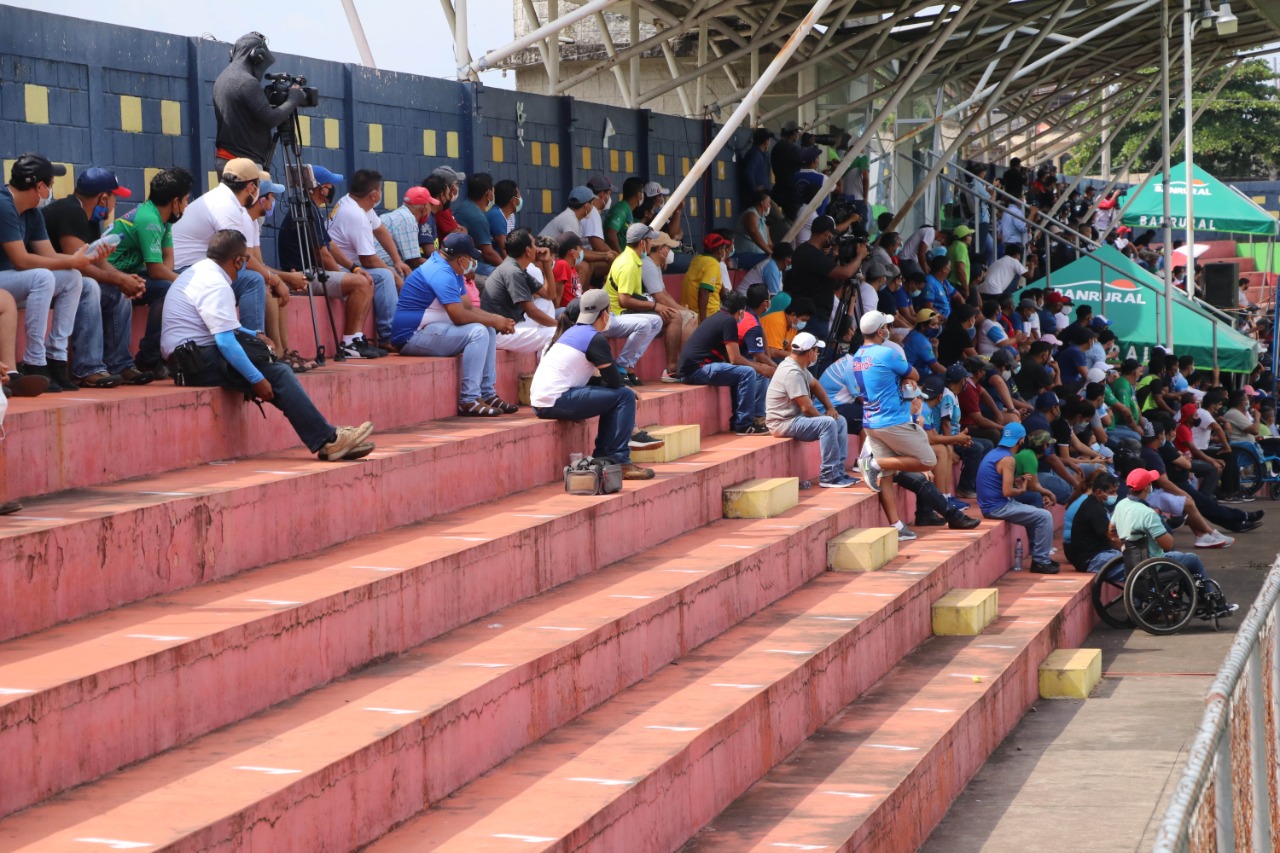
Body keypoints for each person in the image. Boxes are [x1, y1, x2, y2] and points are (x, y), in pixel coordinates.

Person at [161, 229, 374, 461]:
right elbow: (225, 342)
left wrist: (255, 333)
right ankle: (329, 440)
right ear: (238, 260)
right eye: (245, 260)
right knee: (278, 374)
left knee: (258, 350)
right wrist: (256, 379)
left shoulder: (201, 270)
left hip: (191, 357)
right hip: (194, 363)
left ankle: (328, 438)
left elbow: (224, 326)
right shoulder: (215, 284)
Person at [41, 167, 152, 387]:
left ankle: (120, 364)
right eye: (115, 197)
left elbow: (96, 260)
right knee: (90, 285)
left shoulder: (89, 216)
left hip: (64, 282)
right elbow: (79, 266)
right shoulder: (71, 211)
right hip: (45, 284)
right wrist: (120, 280)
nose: (115, 204)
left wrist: (125, 280)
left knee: (116, 291)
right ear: (103, 197)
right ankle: (88, 368)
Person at [530, 290, 654, 480]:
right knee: (624, 396)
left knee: (616, 395)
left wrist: (618, 386)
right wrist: (626, 388)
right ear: (605, 314)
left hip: (543, 401)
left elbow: (600, 381)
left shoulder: (572, 331)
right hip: (555, 400)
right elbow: (613, 381)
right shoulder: (594, 338)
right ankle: (620, 461)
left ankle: (604, 456)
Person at [392, 233, 519, 416]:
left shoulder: (452, 268)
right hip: (412, 336)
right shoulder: (440, 272)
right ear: (461, 259)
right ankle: (468, 400)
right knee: (478, 332)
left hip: (432, 329)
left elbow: (467, 307)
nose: (472, 262)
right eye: (471, 258)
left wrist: (496, 320)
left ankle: (487, 394)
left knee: (488, 328)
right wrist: (495, 320)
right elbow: (459, 316)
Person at [0, 154, 95, 391]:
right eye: (51, 184)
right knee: (42, 276)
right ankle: (34, 363)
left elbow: (49, 256)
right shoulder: (3, 204)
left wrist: (83, 260)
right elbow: (21, 260)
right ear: (40, 186)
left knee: (73, 278)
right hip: (6, 277)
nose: (52, 190)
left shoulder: (32, 212)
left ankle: (56, 360)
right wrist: (72, 260)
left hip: (10, 281)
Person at [276, 166, 384, 360]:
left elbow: (331, 245)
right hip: (303, 274)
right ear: (321, 188)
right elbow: (322, 254)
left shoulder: (311, 208)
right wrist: (347, 276)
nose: (332, 189)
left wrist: (354, 268)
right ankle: (350, 344)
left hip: (312, 270)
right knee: (360, 283)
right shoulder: (306, 210)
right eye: (329, 185)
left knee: (363, 278)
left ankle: (357, 338)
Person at [104, 166, 193, 380]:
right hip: (108, 277)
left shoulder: (164, 219)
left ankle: (152, 357)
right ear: (174, 202)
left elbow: (167, 260)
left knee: (177, 279)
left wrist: (178, 278)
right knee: (168, 288)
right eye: (185, 200)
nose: (187, 205)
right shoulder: (149, 220)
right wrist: (185, 283)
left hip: (131, 274)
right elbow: (156, 269)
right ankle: (149, 358)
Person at [1112, 468, 1237, 617]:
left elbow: (1111, 531)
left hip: (1133, 562)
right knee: (1192, 560)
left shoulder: (1120, 506)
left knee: (1181, 559)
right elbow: (1167, 544)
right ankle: (1208, 602)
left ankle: (1199, 599)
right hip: (1154, 564)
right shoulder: (1147, 513)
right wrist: (1164, 523)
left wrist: (1125, 546)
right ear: (1147, 487)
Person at [849, 310, 937, 491]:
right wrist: (906, 377)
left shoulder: (858, 355)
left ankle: (894, 521)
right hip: (892, 420)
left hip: (871, 421)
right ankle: (872, 463)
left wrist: (902, 378)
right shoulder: (887, 353)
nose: (889, 329)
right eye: (886, 327)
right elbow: (915, 374)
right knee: (928, 460)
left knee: (887, 475)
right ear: (880, 331)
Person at [326, 169, 402, 348]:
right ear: (374, 195)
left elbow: (380, 229)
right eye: (380, 190)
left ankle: (402, 329)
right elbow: (369, 261)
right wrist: (394, 275)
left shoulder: (354, 202)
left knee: (396, 271)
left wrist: (397, 261)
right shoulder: (356, 215)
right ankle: (388, 336)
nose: (381, 194)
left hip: (352, 265)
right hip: (339, 269)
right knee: (385, 277)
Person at [766, 332, 853, 488]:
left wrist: (830, 408)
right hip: (783, 423)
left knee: (839, 420)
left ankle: (838, 472)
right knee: (828, 423)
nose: (817, 354)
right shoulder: (792, 372)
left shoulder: (798, 366)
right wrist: (825, 419)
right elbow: (806, 408)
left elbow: (815, 385)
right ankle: (829, 475)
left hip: (794, 419)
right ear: (809, 352)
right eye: (816, 350)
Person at [212, 32, 308, 167]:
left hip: (226, 159)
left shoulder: (222, 79)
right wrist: (293, 98)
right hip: (244, 163)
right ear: (257, 56)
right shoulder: (247, 82)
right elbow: (271, 119)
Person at [678, 291, 769, 435]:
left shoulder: (718, 317)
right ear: (740, 311)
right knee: (748, 372)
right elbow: (735, 359)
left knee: (741, 371)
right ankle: (744, 424)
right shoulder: (729, 321)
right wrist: (760, 368)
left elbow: (731, 358)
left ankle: (740, 421)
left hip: (694, 369)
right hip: (697, 370)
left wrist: (757, 367)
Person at [976, 422, 1060, 573]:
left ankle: (1040, 557)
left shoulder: (995, 453)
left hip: (992, 504)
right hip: (997, 507)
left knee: (1035, 513)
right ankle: (1041, 561)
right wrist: (1021, 489)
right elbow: (1007, 491)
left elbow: (1000, 481)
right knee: (1045, 516)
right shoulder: (1009, 459)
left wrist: (1017, 480)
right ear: (1021, 440)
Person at [599, 223, 666, 385]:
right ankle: (622, 365)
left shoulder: (632, 258)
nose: (652, 244)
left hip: (620, 314)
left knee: (656, 321)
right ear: (643, 243)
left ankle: (628, 364)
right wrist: (654, 306)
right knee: (644, 324)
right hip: (611, 316)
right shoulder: (628, 263)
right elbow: (624, 300)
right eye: (650, 240)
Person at [783, 215, 867, 341]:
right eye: (832, 234)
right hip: (814, 317)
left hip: (810, 314)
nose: (833, 238)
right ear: (827, 233)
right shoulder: (812, 254)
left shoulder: (803, 250)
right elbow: (845, 273)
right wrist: (860, 256)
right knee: (814, 356)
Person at [481, 228, 557, 353]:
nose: (537, 248)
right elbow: (532, 312)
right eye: (533, 244)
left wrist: (547, 263)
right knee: (555, 332)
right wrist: (560, 325)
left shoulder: (518, 268)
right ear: (527, 251)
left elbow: (550, 294)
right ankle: (544, 370)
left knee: (546, 303)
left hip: (512, 325)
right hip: (500, 334)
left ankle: (540, 358)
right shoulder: (512, 271)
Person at [639, 228, 696, 381]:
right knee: (682, 317)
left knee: (689, 315)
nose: (671, 251)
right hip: (642, 308)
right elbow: (659, 297)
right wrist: (682, 311)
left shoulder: (655, 265)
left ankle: (686, 366)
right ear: (661, 249)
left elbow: (664, 293)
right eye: (669, 248)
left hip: (652, 306)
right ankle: (676, 368)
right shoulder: (648, 264)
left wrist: (683, 309)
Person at [450, 173, 504, 277]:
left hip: (460, 259)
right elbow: (488, 253)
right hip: (467, 262)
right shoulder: (478, 218)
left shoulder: (464, 207)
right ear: (488, 193)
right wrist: (508, 271)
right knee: (501, 277)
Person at [376, 185, 440, 271]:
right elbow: (413, 261)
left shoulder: (400, 214)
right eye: (430, 205)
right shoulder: (408, 219)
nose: (430, 209)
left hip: (375, 264)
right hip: (381, 268)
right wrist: (440, 266)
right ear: (424, 207)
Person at [682, 233, 731, 322]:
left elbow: (721, 289)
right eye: (724, 248)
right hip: (708, 316)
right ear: (720, 251)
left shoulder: (697, 259)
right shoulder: (713, 264)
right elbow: (704, 292)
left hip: (690, 313)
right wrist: (704, 321)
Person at [761, 297, 814, 361]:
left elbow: (790, 351)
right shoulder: (777, 321)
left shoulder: (793, 326)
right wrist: (799, 356)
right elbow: (772, 352)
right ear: (793, 314)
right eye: (803, 320)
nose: (804, 323)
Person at [603, 177, 643, 253]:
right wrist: (620, 256)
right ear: (638, 194)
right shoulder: (622, 209)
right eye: (642, 192)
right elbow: (610, 234)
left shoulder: (628, 209)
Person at [487, 179, 520, 256]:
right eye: (519, 196)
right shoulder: (496, 216)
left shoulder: (511, 216)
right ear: (513, 200)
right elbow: (505, 249)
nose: (520, 199)